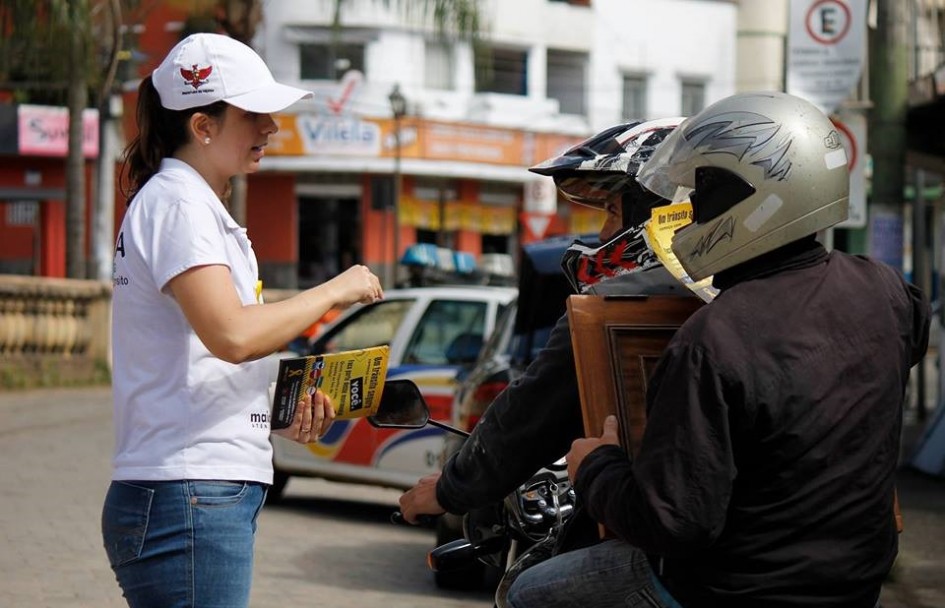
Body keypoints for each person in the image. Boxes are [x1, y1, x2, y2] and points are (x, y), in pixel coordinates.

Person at [508, 91, 931, 608]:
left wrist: (596, 466)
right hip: (855, 585)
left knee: (529, 592)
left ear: (759, 196)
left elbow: (671, 524)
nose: (688, 212)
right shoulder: (888, 293)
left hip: (733, 590)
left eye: (704, 190)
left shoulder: (714, 337)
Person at [101, 33, 383, 608]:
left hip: (195, 491)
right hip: (189, 495)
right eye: (254, 114)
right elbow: (231, 336)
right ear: (203, 126)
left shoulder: (190, 203)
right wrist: (336, 288)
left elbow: (204, 357)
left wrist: (277, 409)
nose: (271, 127)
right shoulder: (179, 204)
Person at [398, 117, 692, 528]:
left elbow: (532, 411)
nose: (605, 232)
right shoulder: (739, 293)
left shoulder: (617, 311)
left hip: (675, 540)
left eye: (612, 210)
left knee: (530, 593)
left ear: (658, 207)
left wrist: (451, 488)